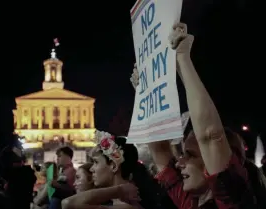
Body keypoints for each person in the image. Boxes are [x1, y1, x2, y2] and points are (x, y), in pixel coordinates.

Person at [130, 23, 260, 208]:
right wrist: (145, 93)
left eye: (190, 155)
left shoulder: (232, 199)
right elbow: (160, 151)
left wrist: (183, 58)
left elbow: (211, 136)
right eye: (184, 154)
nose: (180, 162)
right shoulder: (189, 202)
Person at [62, 131, 163, 209]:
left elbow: (67, 204)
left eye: (96, 162)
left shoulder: (125, 206)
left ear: (114, 166)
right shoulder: (116, 202)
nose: (91, 169)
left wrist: (119, 190)